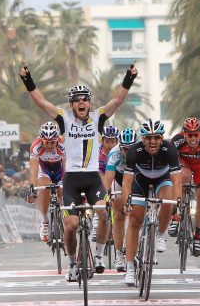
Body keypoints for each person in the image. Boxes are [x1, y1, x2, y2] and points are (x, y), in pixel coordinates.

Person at [19, 62, 137, 282]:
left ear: (89, 103)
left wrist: (129, 78)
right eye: (77, 100)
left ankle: (99, 255)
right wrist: (28, 79)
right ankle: (72, 264)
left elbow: (118, 100)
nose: (81, 102)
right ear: (71, 104)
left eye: (85, 99)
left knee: (104, 213)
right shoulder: (64, 118)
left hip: (93, 178)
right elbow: (41, 102)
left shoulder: (98, 118)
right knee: (71, 225)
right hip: (71, 179)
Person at [122, 118, 181, 286]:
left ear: (162, 138)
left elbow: (177, 181)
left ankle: (159, 234)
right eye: (148, 138)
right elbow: (126, 182)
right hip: (140, 182)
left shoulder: (170, 150)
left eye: (156, 137)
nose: (153, 141)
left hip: (162, 179)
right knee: (134, 221)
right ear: (143, 139)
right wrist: (128, 202)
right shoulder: (135, 151)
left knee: (168, 201)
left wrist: (177, 205)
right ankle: (130, 267)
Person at [169, 117, 200, 257]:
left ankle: (197, 237)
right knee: (183, 176)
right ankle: (175, 217)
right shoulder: (176, 141)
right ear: (184, 134)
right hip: (184, 164)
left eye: (196, 134)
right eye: (190, 135)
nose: (193, 138)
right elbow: (171, 169)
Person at [102, 128, 138, 272]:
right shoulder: (115, 153)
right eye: (125, 149)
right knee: (118, 214)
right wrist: (104, 197)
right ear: (120, 146)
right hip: (119, 178)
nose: (127, 152)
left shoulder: (142, 151)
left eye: (131, 149)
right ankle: (119, 254)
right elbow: (108, 177)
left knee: (139, 213)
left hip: (136, 178)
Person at [27, 121, 66, 242]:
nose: (49, 145)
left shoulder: (63, 144)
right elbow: (33, 171)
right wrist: (32, 190)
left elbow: (67, 168)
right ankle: (44, 221)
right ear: (41, 139)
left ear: (57, 139)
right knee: (44, 187)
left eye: (52, 142)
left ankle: (64, 218)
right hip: (45, 170)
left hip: (60, 170)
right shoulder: (36, 146)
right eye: (46, 142)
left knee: (62, 190)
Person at [91, 124, 119, 241]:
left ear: (117, 142)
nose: (109, 145)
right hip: (100, 173)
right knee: (100, 180)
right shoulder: (96, 151)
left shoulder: (119, 151)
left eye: (113, 142)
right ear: (102, 141)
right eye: (107, 141)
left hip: (115, 174)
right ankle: (96, 218)